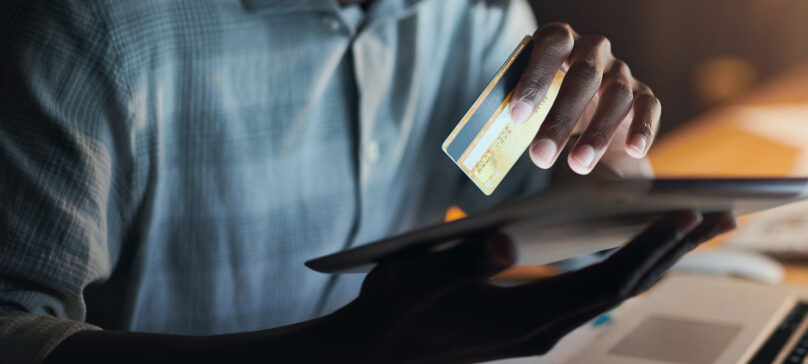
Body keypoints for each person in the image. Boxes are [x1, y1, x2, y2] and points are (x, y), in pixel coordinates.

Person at [0, 0, 737, 363]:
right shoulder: (91, 32)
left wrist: (615, 168)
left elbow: (555, 224)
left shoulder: (472, 15)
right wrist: (334, 353)